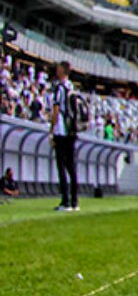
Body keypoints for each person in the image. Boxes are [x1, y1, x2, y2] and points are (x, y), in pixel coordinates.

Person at [48, 61, 79, 211]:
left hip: (62, 131)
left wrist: (51, 132)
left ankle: (65, 201)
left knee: (61, 165)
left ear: (62, 71)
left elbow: (55, 112)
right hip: (72, 131)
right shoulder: (72, 87)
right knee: (71, 166)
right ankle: (74, 201)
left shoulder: (59, 88)